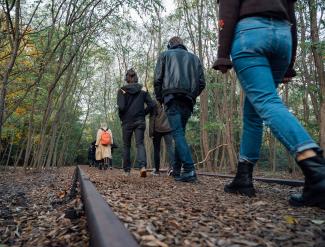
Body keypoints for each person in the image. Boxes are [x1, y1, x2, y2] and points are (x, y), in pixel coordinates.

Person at [213, 0, 325, 209]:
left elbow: (228, 7)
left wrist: (222, 54)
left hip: (251, 35)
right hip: (283, 38)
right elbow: (292, 17)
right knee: (254, 109)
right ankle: (243, 177)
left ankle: (315, 168)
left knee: (266, 100)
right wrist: (290, 62)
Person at [154, 36, 206, 182]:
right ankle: (177, 170)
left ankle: (189, 169)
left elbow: (157, 79)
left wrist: (160, 98)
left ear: (170, 45)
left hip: (172, 98)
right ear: (182, 45)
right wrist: (191, 94)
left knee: (177, 133)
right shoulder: (194, 58)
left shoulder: (165, 55)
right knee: (180, 133)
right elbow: (202, 83)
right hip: (188, 100)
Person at [117, 68, 156, 177]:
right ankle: (142, 167)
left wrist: (122, 117)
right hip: (140, 120)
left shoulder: (121, 90)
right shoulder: (143, 89)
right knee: (140, 144)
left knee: (126, 146)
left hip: (127, 121)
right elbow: (152, 104)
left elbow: (121, 107)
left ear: (127, 78)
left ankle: (126, 171)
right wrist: (143, 113)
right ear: (136, 77)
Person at [149, 101, 175, 176]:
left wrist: (151, 132)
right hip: (168, 128)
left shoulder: (155, 104)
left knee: (156, 150)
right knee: (170, 148)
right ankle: (172, 168)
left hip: (157, 129)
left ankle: (157, 170)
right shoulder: (169, 102)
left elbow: (152, 118)